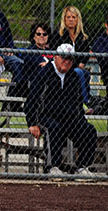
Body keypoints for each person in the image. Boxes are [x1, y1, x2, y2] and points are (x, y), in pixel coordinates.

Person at [25, 43, 97, 176]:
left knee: (88, 130)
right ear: (56, 57)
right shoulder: (44, 73)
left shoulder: (74, 76)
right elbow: (32, 100)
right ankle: (53, 167)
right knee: (54, 128)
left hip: (69, 117)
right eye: (63, 58)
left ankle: (82, 167)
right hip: (46, 115)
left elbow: (77, 102)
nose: (66, 62)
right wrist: (32, 123)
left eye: (69, 59)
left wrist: (81, 119)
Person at [53, 5, 92, 103]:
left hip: (77, 67)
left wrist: (82, 63)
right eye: (68, 17)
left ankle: (80, 100)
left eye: (74, 17)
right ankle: (85, 101)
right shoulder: (58, 35)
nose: (71, 20)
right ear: (64, 19)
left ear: (78, 19)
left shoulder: (83, 38)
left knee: (85, 73)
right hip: (62, 67)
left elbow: (85, 55)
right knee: (79, 72)